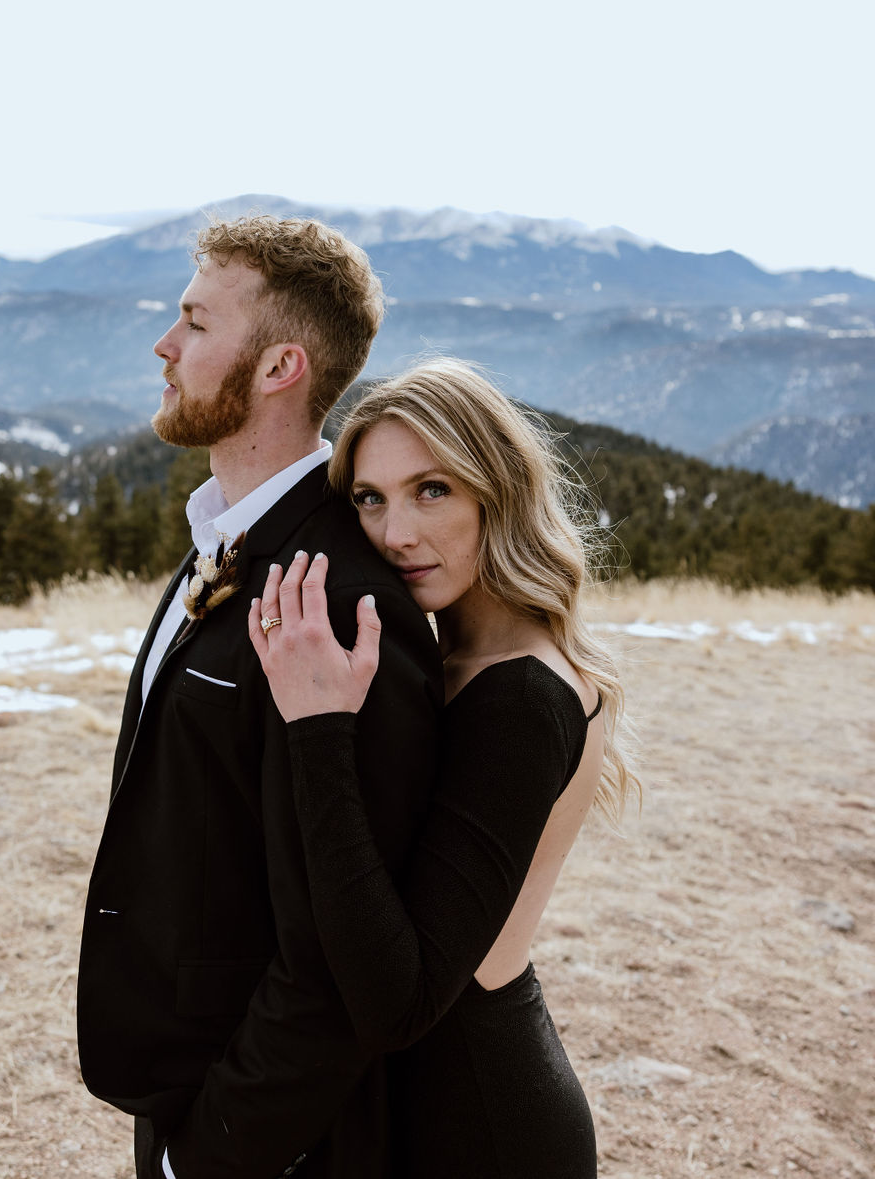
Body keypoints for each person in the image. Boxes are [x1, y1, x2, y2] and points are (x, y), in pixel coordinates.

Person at [76, 216, 443, 1179]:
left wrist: (215, 1150)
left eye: (195, 323)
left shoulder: (343, 604)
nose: (165, 345)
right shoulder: (226, 541)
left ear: (281, 365)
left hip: (263, 1138)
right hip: (186, 1082)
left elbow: (336, 944)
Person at [250, 358, 639, 1179]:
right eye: (370, 497)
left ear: (495, 489)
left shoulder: (521, 697)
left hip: (480, 1126)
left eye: (433, 490)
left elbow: (403, 1001)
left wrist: (317, 729)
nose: (396, 533)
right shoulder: (455, 653)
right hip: (427, 1107)